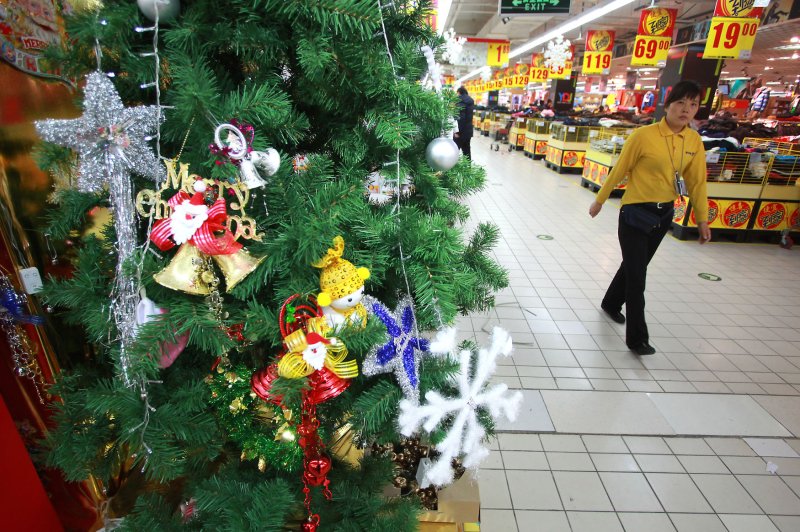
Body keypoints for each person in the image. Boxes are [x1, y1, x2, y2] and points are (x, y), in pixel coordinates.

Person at [588, 81, 711, 356]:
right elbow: (619, 169)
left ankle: (610, 302)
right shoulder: (643, 136)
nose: (686, 110)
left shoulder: (693, 141)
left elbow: (697, 182)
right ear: (667, 105)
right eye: (681, 103)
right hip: (634, 213)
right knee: (638, 277)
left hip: (663, 214)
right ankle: (637, 338)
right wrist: (599, 200)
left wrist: (702, 218)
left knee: (635, 266)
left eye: (693, 105)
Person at [454, 86, 474, 160]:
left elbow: (461, 118)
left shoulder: (460, 101)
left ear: (459, 92)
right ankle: (468, 169)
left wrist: (458, 132)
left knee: (455, 150)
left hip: (461, 132)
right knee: (466, 150)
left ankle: (452, 168)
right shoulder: (470, 101)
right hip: (468, 131)